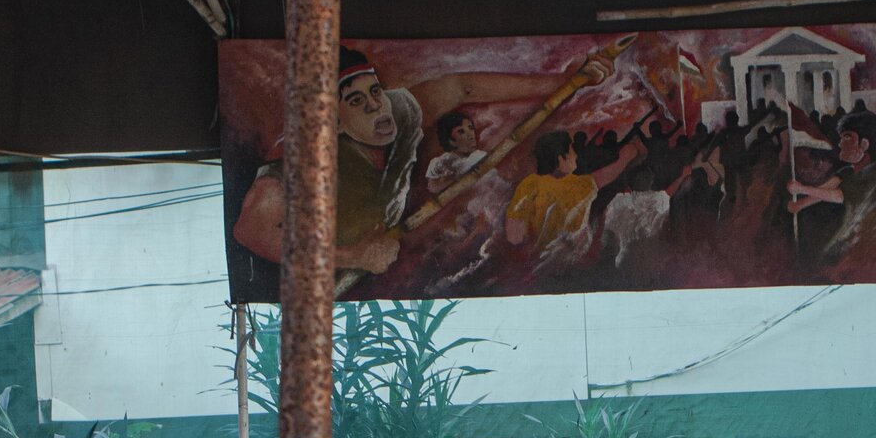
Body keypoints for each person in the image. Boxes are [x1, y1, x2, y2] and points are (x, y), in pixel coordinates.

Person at [231, 47, 614, 286]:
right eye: (356, 102)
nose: (375, 107)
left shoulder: (400, 118)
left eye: (375, 93)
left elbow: (462, 88)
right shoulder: (307, 163)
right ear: (334, 122)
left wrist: (564, 82)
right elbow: (252, 229)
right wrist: (351, 256)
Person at [788, 110, 876, 270]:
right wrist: (800, 204)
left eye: (847, 137)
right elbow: (830, 186)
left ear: (864, 144)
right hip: (858, 239)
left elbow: (839, 195)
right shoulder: (850, 170)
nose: (840, 144)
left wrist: (802, 188)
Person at [505, 128, 645, 265]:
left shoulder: (528, 184)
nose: (576, 156)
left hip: (538, 261)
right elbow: (607, 173)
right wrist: (628, 154)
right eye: (572, 152)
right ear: (561, 159)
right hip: (571, 261)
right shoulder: (579, 184)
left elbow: (514, 237)